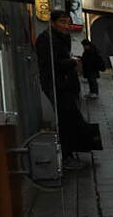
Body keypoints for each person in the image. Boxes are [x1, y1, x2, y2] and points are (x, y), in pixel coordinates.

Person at [35, 9, 87, 170]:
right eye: (62, 22)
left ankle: (72, 151)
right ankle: (67, 156)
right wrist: (72, 62)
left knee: (71, 118)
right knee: (65, 119)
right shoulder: (47, 39)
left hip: (67, 85)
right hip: (57, 86)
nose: (66, 26)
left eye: (68, 22)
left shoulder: (62, 38)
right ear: (52, 23)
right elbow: (51, 64)